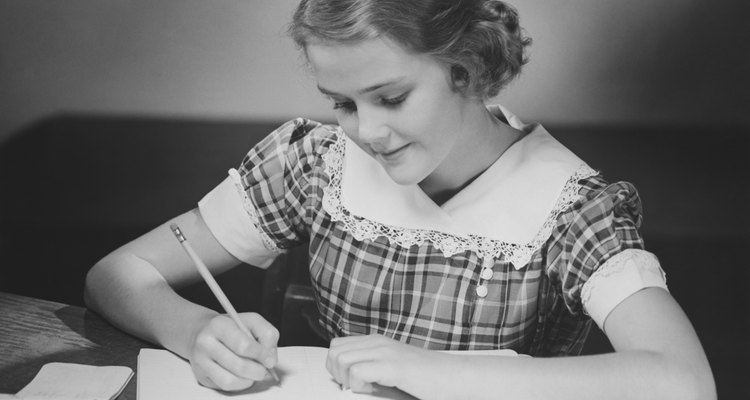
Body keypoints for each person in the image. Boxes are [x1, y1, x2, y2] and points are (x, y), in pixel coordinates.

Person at [84, 0, 716, 399]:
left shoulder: (569, 206)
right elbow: (116, 275)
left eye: (390, 97)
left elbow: (681, 380)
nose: (366, 131)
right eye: (342, 103)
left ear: (465, 67)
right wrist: (194, 331)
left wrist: (431, 371)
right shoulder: (316, 163)